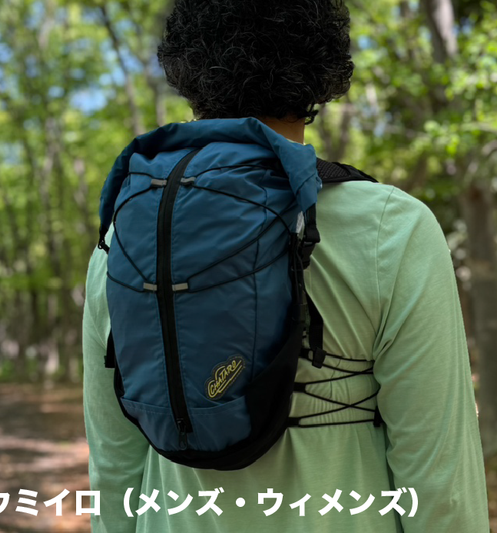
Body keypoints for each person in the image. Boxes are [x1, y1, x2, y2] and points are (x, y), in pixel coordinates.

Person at [82, 0, 490, 531]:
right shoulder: (391, 228)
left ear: (185, 69)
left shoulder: (125, 237)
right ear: (324, 68)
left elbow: (114, 472)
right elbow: (441, 489)